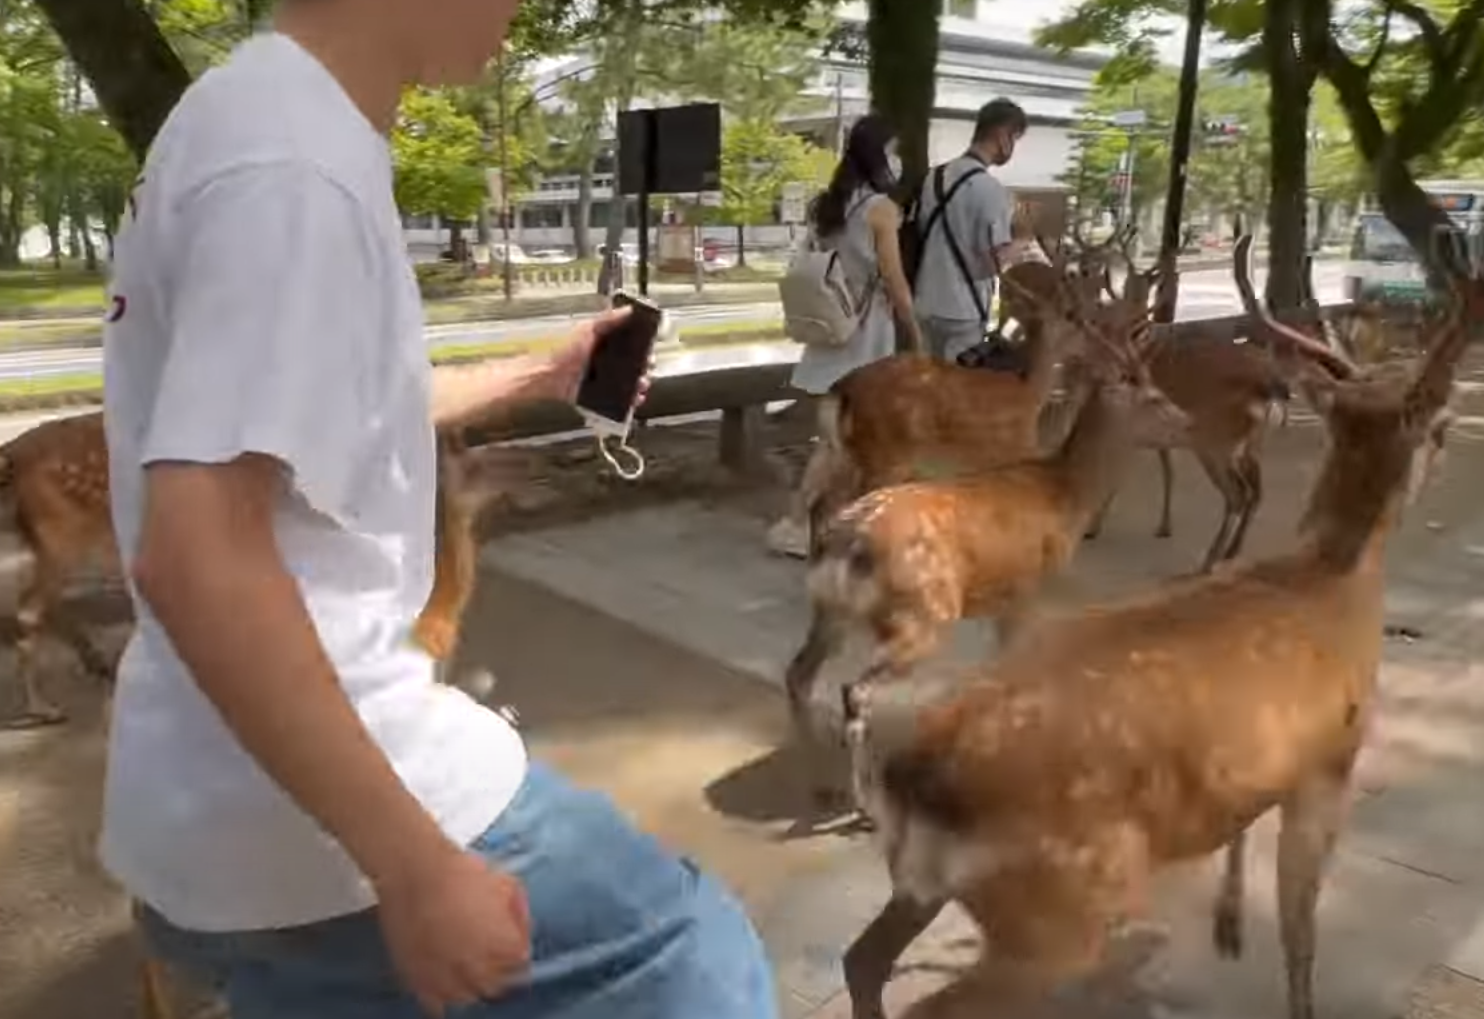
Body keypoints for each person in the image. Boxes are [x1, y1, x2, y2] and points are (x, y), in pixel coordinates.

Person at [98, 2, 777, 1018]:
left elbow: (331, 407)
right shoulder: (294, 167)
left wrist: (542, 373)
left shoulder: (255, 116)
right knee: (688, 953)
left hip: (213, 802)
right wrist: (412, 865)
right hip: (317, 814)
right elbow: (199, 558)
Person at [765, 114, 920, 559]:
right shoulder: (880, 210)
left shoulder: (828, 204)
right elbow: (894, 280)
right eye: (893, 150)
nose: (897, 159)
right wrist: (915, 331)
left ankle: (823, 523)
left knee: (837, 440)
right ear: (879, 154)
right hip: (864, 334)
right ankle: (796, 524)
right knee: (839, 445)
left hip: (831, 325)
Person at [912, 98, 1027, 361]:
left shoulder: (933, 178)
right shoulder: (991, 190)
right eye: (1014, 138)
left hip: (924, 302)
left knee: (926, 379)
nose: (1012, 148)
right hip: (962, 312)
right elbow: (989, 264)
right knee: (957, 384)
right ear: (1002, 135)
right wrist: (1022, 240)